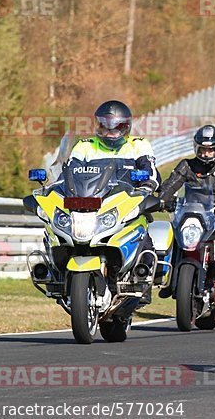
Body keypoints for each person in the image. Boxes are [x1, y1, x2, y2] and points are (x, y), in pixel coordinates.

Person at [68, 100, 161, 301]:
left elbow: (151, 174)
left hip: (127, 206)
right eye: (104, 126)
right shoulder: (84, 146)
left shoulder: (138, 145)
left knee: (143, 238)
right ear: (97, 125)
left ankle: (143, 276)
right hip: (91, 209)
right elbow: (66, 176)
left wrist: (147, 185)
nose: (110, 133)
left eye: (116, 128)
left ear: (125, 127)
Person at [158, 125, 215, 302]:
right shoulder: (187, 165)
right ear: (196, 148)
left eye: (211, 150)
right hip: (189, 213)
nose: (206, 153)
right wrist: (163, 199)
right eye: (203, 149)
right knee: (169, 236)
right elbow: (171, 184)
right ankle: (170, 280)